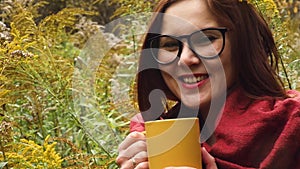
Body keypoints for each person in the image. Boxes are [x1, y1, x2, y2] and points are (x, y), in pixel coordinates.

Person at [116, 0, 300, 168]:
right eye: (170, 45)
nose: (185, 60)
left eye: (206, 39)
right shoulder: (155, 138)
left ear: (244, 43)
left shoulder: (293, 124)